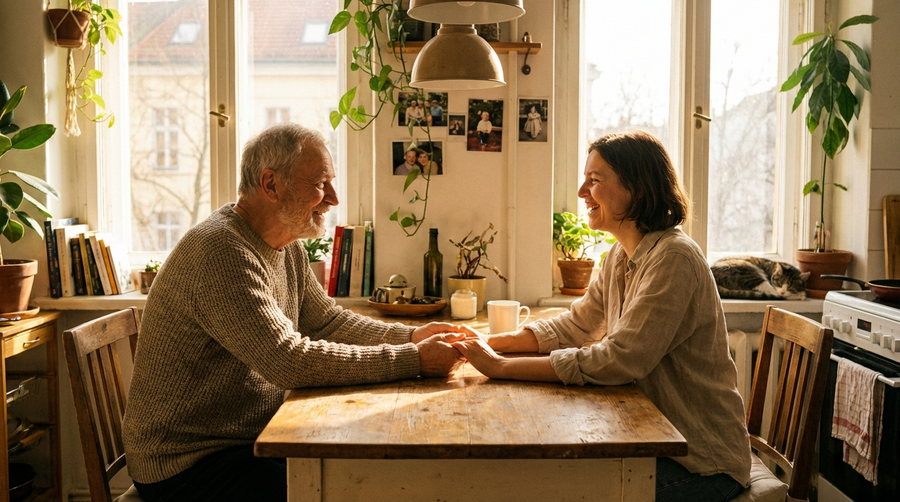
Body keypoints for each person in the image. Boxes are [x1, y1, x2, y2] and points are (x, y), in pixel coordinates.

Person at [123, 123, 468, 502]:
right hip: (187, 462)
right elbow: (288, 361)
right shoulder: (221, 251)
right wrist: (414, 359)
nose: (333, 198)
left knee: (364, 475)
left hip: (243, 440)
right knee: (350, 489)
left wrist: (411, 336)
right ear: (270, 184)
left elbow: (328, 321)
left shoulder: (286, 245)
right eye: (321, 183)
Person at [453, 130, 752, 502]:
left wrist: (502, 367)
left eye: (594, 181)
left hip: (703, 466)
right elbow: (577, 325)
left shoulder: (674, 259)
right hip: (654, 442)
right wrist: (487, 344)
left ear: (637, 189)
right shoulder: (620, 255)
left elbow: (620, 360)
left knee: (550, 487)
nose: (582, 192)